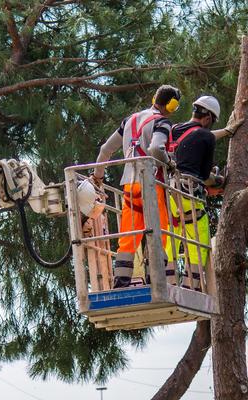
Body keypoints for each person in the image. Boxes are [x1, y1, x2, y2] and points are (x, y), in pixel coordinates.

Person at [92, 85, 179, 288]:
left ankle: (121, 281)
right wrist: (170, 164)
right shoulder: (162, 122)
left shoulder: (129, 120)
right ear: (171, 105)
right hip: (151, 183)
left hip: (129, 186)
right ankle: (155, 279)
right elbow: (156, 149)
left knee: (129, 235)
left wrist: (98, 177)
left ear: (153, 99)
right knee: (159, 230)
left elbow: (105, 150)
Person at [163, 95, 241, 290]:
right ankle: (192, 285)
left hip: (170, 191)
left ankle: (169, 281)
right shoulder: (205, 136)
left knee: (173, 235)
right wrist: (219, 180)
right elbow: (206, 175)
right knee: (199, 238)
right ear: (208, 119)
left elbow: (194, 136)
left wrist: (226, 132)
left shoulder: (174, 130)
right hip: (189, 193)